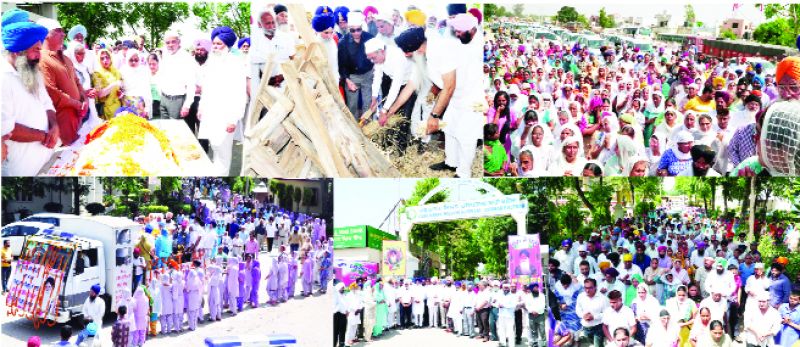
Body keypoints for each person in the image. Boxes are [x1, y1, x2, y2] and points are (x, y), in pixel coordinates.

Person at [1, 18, 59, 176]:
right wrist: (44, 136)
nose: (39, 56)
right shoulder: (4, 78)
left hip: (45, 159)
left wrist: (54, 126)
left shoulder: (33, 71)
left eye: (40, 49)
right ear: (17, 52)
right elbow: (6, 127)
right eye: (35, 50)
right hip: (21, 169)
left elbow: (47, 103)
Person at [197, 26, 247, 176]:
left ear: (227, 45)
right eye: (214, 43)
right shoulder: (211, 62)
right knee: (215, 147)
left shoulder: (236, 63)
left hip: (226, 115)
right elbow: (206, 89)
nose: (215, 47)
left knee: (223, 151)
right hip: (210, 113)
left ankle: (221, 176)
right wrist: (201, 108)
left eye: (219, 44)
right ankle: (216, 173)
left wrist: (233, 119)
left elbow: (240, 94)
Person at [38, 18, 87, 145]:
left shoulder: (66, 58)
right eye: (58, 31)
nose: (63, 34)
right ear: (46, 34)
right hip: (61, 124)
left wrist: (84, 100)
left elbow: (77, 82)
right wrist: (77, 104)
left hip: (77, 118)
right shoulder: (42, 59)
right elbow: (52, 92)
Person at [338, 11, 375, 120]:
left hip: (368, 74)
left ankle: (368, 125)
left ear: (362, 27)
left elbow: (376, 56)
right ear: (349, 29)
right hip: (352, 77)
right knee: (352, 105)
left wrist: (374, 70)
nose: (356, 33)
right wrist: (347, 80)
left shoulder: (370, 38)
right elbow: (342, 65)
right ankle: (353, 126)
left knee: (368, 104)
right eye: (352, 30)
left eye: (358, 29)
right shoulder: (343, 42)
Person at [156, 31, 194, 119]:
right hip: (164, 98)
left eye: (173, 42)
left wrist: (187, 105)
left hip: (177, 100)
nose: (170, 45)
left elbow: (191, 84)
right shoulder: (166, 55)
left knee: (175, 127)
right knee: (164, 127)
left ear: (179, 42)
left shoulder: (186, 58)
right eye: (167, 43)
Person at [91, 48, 123, 120]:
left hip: (118, 108)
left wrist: (120, 93)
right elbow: (100, 94)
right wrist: (114, 84)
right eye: (102, 58)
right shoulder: (97, 74)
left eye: (107, 57)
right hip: (106, 110)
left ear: (111, 58)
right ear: (99, 60)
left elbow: (119, 88)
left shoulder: (116, 71)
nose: (105, 60)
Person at [334, 282, 348, 347]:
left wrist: (347, 311)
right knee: (335, 331)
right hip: (337, 315)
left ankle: (342, 344)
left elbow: (346, 304)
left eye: (343, 288)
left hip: (343, 315)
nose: (343, 289)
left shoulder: (343, 295)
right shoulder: (336, 295)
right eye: (342, 288)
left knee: (343, 330)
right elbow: (338, 306)